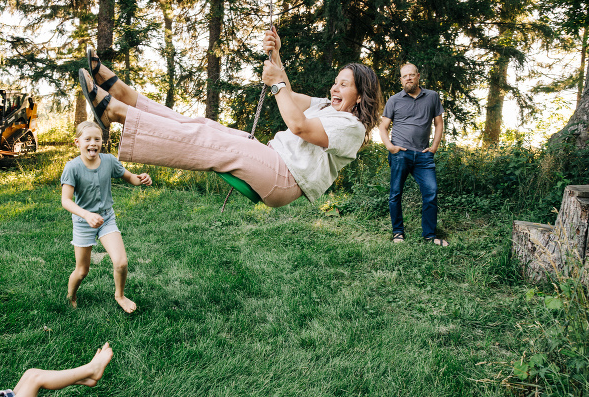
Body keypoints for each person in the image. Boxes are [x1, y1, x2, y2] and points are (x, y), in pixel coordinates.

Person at [78, 27, 382, 208]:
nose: (335, 87)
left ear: (361, 94)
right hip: (270, 158)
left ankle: (115, 112)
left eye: (344, 84)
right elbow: (288, 94)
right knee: (198, 125)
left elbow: (298, 125)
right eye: (336, 81)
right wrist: (276, 56)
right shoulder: (328, 106)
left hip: (284, 178)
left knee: (203, 139)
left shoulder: (351, 128)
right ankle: (118, 90)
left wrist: (276, 83)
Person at [61, 121, 152, 313]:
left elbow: (130, 177)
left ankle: (120, 295)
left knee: (121, 262)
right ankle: (71, 296)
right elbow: (66, 201)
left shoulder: (109, 161)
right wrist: (86, 215)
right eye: (88, 139)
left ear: (103, 141)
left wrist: (141, 178)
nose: (93, 143)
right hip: (83, 222)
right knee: (82, 271)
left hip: (106, 219)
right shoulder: (72, 167)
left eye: (97, 139)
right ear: (77, 142)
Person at [378, 63, 448, 246]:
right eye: (404, 76)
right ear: (401, 80)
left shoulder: (432, 96)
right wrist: (390, 147)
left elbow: (439, 124)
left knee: (431, 192)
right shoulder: (394, 100)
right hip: (400, 154)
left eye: (411, 75)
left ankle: (430, 235)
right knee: (395, 194)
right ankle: (398, 233)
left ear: (418, 76)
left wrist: (434, 147)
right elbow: (383, 127)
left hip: (424, 156)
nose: (408, 78)